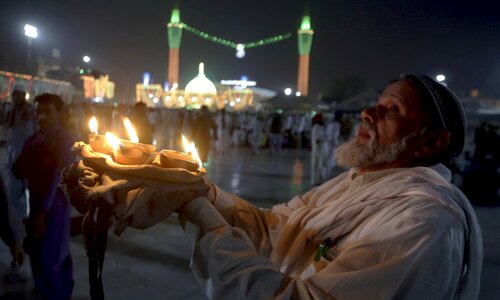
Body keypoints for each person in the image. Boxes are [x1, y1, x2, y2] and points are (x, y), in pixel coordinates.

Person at [68, 75, 482, 299]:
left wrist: (197, 209)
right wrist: (202, 194)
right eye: (376, 101)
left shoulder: (424, 221)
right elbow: (276, 229)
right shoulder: (360, 182)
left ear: (432, 142)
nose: (368, 113)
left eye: (392, 110)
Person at [13, 93, 75, 299]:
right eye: (38, 112)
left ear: (59, 114)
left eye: (47, 112)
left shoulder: (64, 140)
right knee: (38, 256)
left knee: (54, 257)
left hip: (54, 209)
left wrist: (42, 213)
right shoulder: (34, 139)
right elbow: (18, 169)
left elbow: (58, 177)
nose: (41, 117)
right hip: (35, 206)